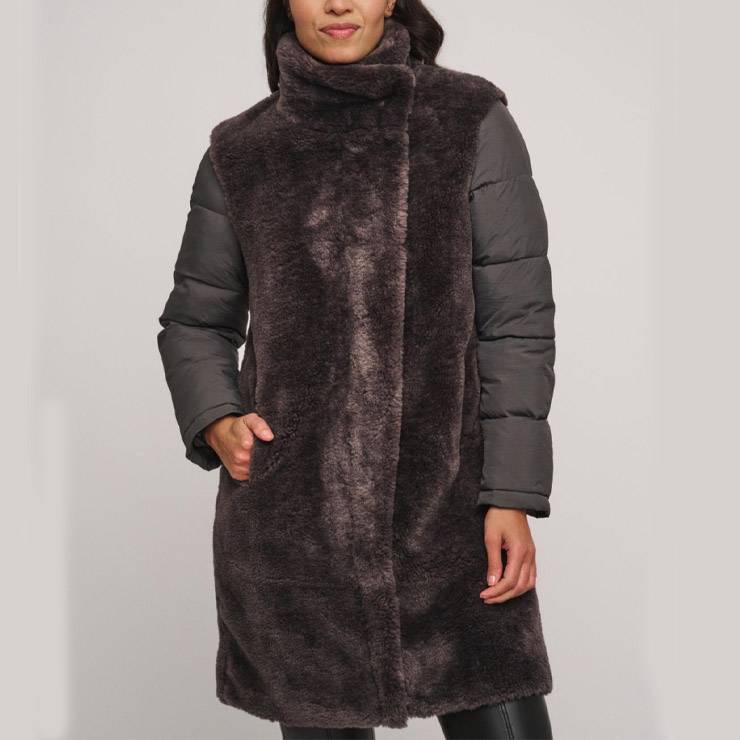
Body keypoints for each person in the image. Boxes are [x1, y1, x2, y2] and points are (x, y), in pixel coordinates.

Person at [157, 1, 556, 738]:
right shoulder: (240, 152)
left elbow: (516, 322)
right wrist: (216, 417)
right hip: (295, 532)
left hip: (453, 516)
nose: (338, 3)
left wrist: (511, 495)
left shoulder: (470, 120)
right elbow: (195, 320)